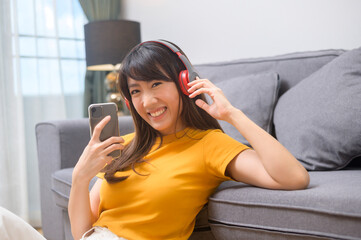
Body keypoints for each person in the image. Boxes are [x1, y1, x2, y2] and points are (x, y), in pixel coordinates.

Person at [69, 40, 310, 240]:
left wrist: (233, 115)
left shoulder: (209, 145)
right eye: (136, 91)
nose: (148, 101)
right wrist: (79, 178)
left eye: (156, 84)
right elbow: (82, 233)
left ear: (185, 83)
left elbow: (294, 177)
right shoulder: (123, 145)